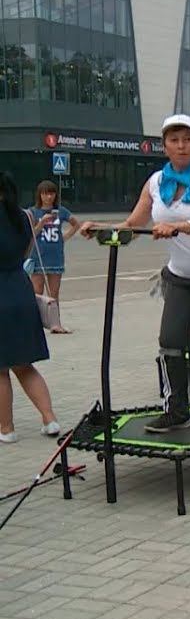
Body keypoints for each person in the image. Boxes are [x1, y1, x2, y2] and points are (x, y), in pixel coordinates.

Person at [81, 114, 190, 440]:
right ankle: (176, 412)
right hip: (181, 276)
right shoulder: (155, 182)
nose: (181, 146)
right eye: (174, 140)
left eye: (187, 140)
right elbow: (132, 227)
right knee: (170, 342)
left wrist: (181, 227)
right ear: (164, 146)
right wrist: (101, 229)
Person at [0, 172, 61, 443]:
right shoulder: (24, 216)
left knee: (0, 369)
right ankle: (49, 419)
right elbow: (25, 252)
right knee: (24, 364)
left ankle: (6, 429)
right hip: (21, 290)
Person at [26, 179, 82, 334]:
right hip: (38, 256)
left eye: (51, 193)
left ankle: (55, 323)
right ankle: (34, 324)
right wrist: (42, 223)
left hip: (55, 255)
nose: (48, 197)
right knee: (37, 292)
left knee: (54, 292)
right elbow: (31, 234)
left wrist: (65, 237)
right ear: (40, 195)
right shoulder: (33, 212)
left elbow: (76, 224)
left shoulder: (60, 211)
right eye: (45, 194)